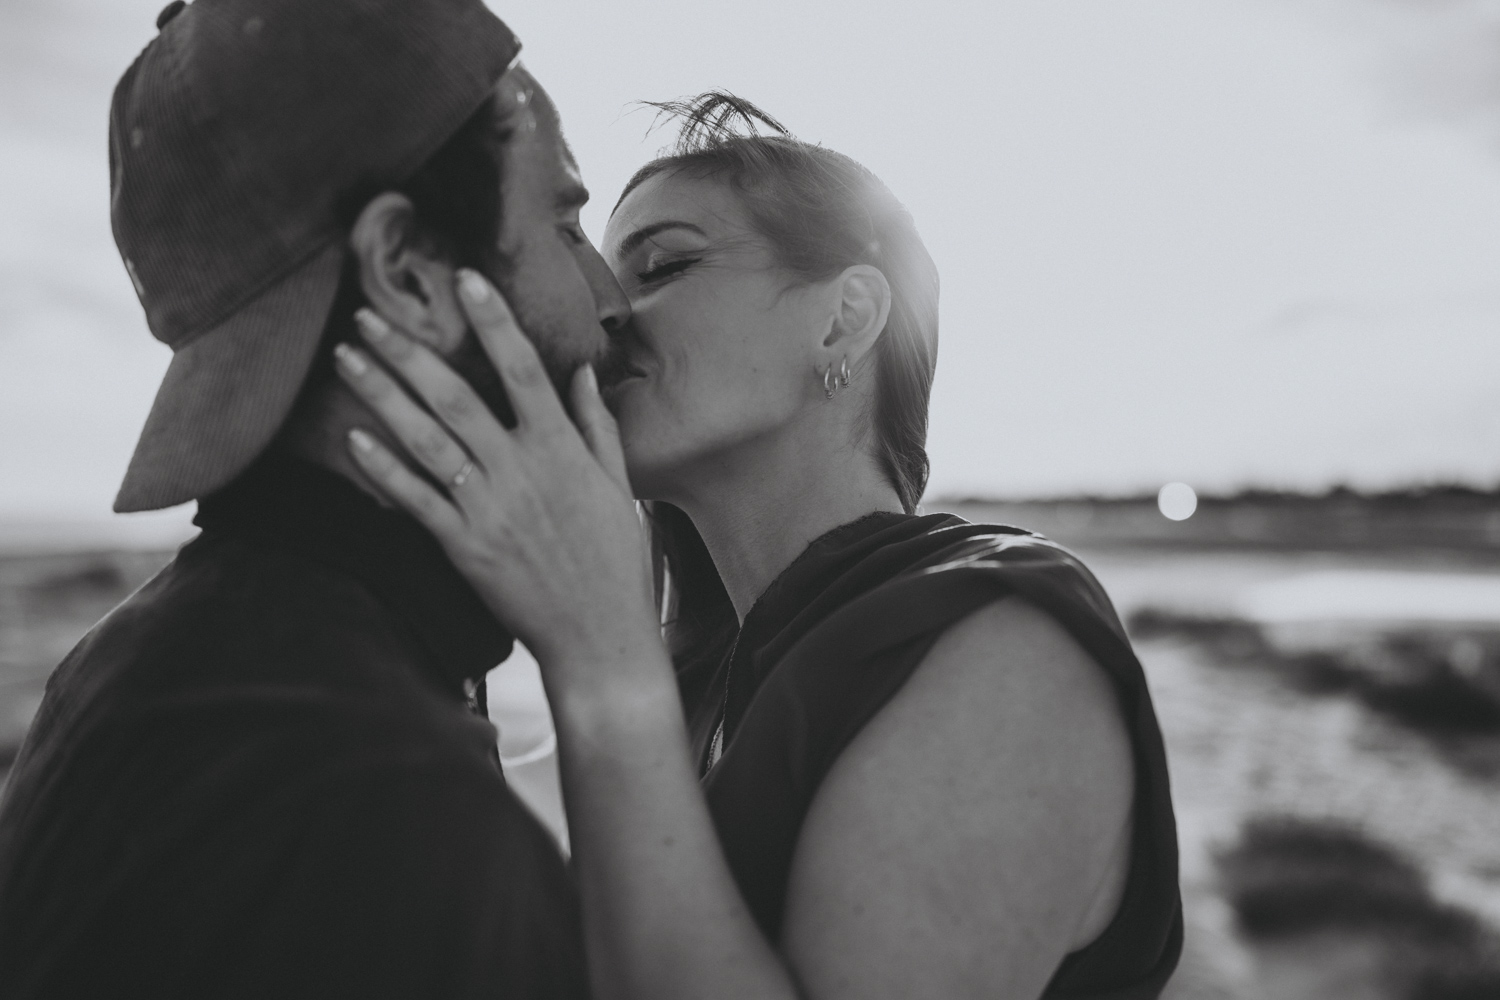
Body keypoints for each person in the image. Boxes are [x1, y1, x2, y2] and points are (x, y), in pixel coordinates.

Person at [339, 95, 1183, 999]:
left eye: (663, 265)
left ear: (843, 319)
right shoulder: (696, 675)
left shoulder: (1004, 649)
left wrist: (596, 651)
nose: (605, 314)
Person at [0, 0, 627, 996]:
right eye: (565, 221)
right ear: (409, 273)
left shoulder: (112, 670)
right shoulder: (405, 818)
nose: (611, 295)